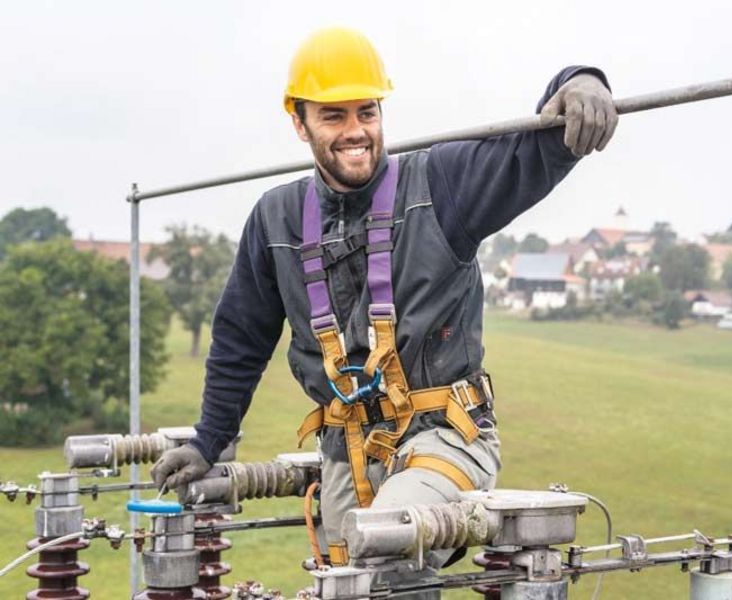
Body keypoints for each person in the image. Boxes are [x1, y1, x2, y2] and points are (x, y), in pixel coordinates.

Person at [151, 25, 616, 577]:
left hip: (444, 438)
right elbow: (241, 337)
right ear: (299, 123)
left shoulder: (440, 185)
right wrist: (209, 439)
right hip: (347, 451)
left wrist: (580, 81)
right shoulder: (276, 218)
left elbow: (529, 152)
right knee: (346, 579)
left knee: (386, 547)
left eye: (367, 112)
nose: (356, 131)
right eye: (334, 116)